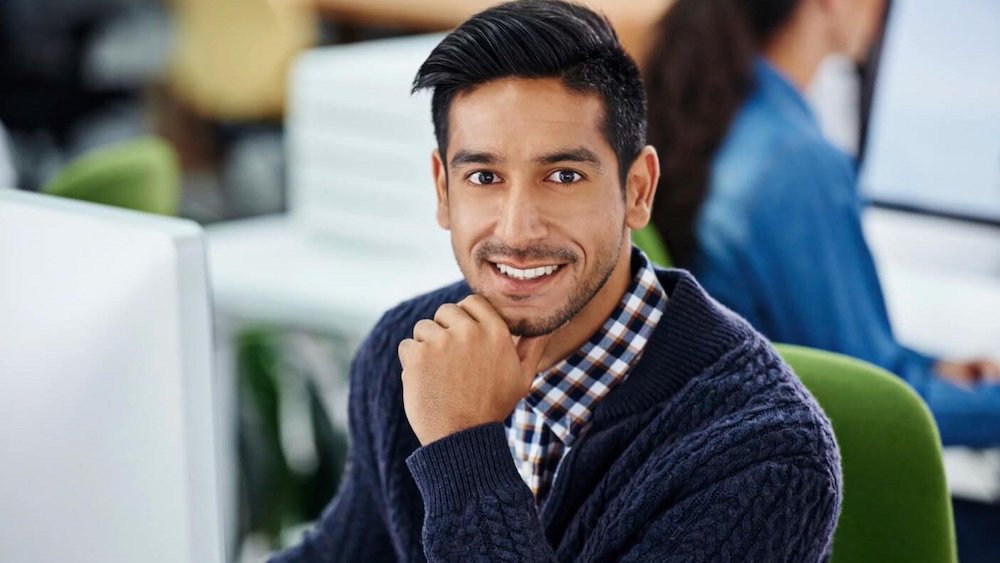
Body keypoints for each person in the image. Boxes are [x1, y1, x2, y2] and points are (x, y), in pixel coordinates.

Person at [273, 2, 840, 561]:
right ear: (444, 192)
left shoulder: (769, 457)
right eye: (484, 177)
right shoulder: (408, 352)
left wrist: (463, 450)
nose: (518, 229)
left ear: (638, 190)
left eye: (563, 176)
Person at [644, 0, 1000, 448]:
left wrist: (931, 368)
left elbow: (823, 350)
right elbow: (872, 404)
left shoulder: (721, 120)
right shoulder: (796, 163)